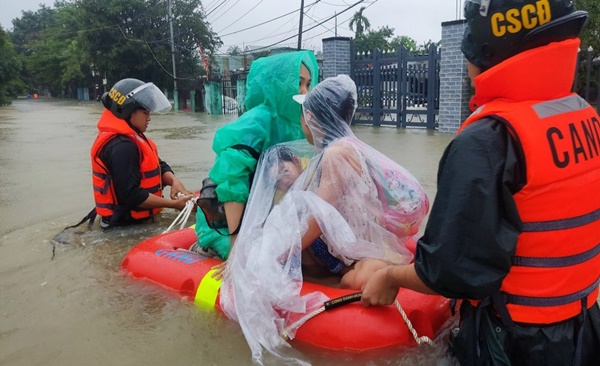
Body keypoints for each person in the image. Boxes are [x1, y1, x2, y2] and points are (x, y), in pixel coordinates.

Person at [361, 1, 600, 365]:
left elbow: (451, 271)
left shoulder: (488, 139)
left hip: (513, 340)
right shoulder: (583, 116)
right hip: (584, 326)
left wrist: (390, 278)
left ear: (487, 50)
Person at [219, 75, 429, 364]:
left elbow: (320, 214)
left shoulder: (336, 153)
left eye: (304, 117)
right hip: (344, 250)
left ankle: (350, 280)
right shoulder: (349, 147)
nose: (303, 124)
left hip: (344, 254)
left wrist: (280, 255)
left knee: (266, 261)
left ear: (314, 119)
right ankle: (340, 277)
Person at [191, 50, 319, 261]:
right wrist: (236, 248)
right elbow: (233, 184)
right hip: (228, 224)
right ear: (278, 84)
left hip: (265, 219)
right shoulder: (256, 122)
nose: (305, 91)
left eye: (308, 84)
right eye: (298, 83)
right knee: (260, 259)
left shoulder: (297, 124)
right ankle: (209, 247)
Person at [90, 78, 193, 229]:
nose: (149, 118)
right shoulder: (122, 147)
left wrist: (173, 181)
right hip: (124, 227)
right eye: (145, 113)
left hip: (137, 222)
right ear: (127, 111)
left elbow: (159, 165)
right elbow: (131, 195)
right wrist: (173, 204)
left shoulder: (133, 139)